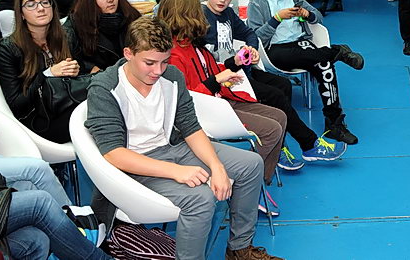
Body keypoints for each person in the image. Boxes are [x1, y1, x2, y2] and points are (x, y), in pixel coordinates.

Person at [85, 17, 283, 260]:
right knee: (201, 199)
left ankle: (239, 250)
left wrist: (216, 166)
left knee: (251, 165)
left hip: (173, 147)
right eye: (149, 63)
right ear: (128, 54)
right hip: (136, 163)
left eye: (164, 61)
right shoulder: (105, 88)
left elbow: (190, 127)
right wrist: (177, 172)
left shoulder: (172, 76)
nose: (158, 71)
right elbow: (114, 154)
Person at [202, 0, 346, 171]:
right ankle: (308, 144)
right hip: (225, 78)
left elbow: (249, 34)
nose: (222, 0)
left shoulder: (228, 14)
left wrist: (252, 48)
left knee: (283, 85)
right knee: (276, 94)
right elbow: (207, 59)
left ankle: (280, 147)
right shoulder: (201, 19)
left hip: (236, 69)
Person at [0, 78, 109, 260]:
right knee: (38, 187)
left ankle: (72, 232)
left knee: (30, 193)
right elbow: (18, 102)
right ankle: (77, 229)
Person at [158, 0, 287, 191]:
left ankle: (260, 179)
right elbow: (188, 99)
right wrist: (217, 79)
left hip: (219, 101)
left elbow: (211, 71)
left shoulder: (194, 45)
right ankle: (244, 180)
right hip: (207, 111)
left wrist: (235, 62)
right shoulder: (173, 56)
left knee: (280, 117)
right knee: (271, 130)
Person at [247, 0, 363, 145]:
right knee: (318, 58)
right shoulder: (257, 2)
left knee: (325, 67)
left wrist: (307, 14)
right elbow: (255, 36)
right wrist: (277, 19)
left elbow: (319, 18)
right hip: (274, 49)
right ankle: (336, 51)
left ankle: (334, 124)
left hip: (301, 44)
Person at [0, 0, 84, 143]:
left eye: (45, 2)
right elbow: (17, 104)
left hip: (68, 102)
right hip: (39, 118)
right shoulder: (7, 48)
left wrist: (77, 70)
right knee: (96, 114)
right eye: (31, 4)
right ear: (21, 14)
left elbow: (80, 77)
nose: (41, 8)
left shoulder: (67, 35)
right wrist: (48, 74)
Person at [64, 0, 140, 73]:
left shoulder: (131, 16)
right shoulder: (74, 27)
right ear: (89, 0)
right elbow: (73, 61)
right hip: (98, 78)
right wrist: (89, 68)